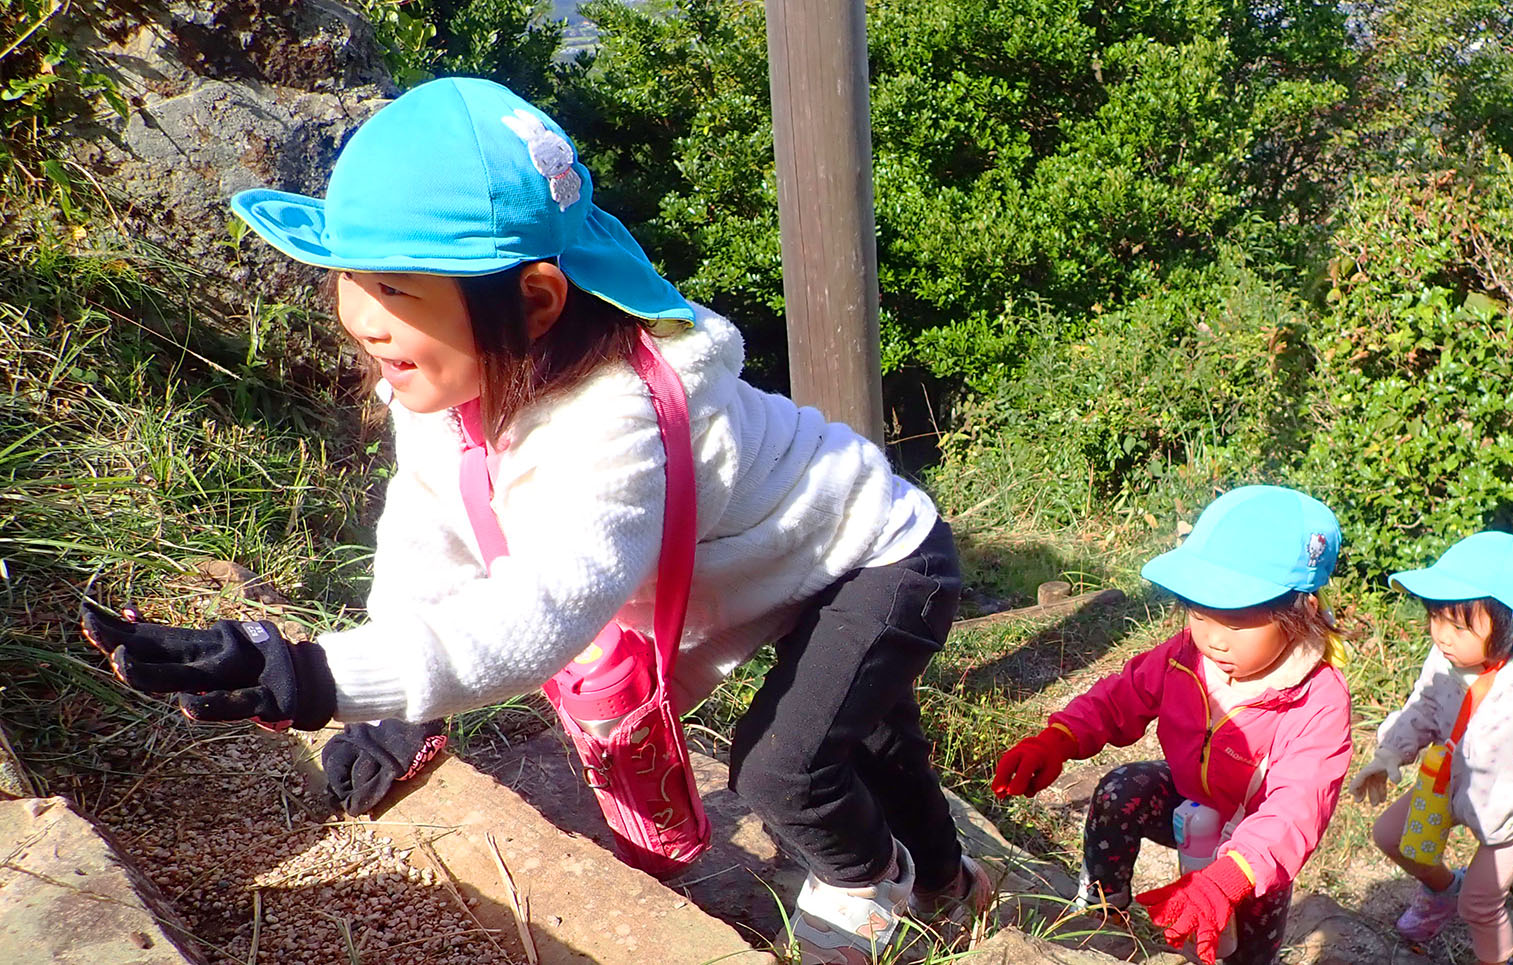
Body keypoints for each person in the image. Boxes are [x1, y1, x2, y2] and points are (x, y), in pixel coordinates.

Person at [74, 76, 985, 963]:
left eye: (395, 288)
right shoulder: (447, 372)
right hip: (782, 550)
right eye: (348, 275)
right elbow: (431, 517)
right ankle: (953, 885)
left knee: (783, 767)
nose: (362, 317)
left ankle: (874, 885)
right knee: (867, 735)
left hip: (878, 554)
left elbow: (540, 613)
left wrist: (314, 675)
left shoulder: (611, 420)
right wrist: (399, 704)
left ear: (537, 301)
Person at [990, 485, 1355, 965]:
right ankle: (1104, 911)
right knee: (1122, 789)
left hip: (1251, 842)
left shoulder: (1317, 698)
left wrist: (1229, 877)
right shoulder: (1186, 656)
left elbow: (1296, 808)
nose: (1213, 638)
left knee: (1247, 936)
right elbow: (1120, 696)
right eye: (1199, 614)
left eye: (1236, 621)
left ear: (1298, 611)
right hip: (1188, 798)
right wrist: (1059, 739)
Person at [1351, 531, 1513, 965]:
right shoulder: (1446, 659)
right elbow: (1423, 706)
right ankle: (1441, 891)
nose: (1441, 635)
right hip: (1448, 783)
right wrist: (1390, 752)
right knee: (1391, 837)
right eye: (1435, 618)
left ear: (1508, 620)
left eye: (1458, 626)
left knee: (1479, 903)